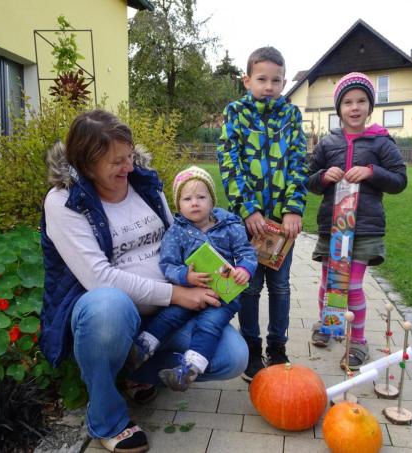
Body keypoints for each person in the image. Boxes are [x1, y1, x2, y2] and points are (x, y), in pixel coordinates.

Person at [40, 110, 248, 453]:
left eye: (129, 156)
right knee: (109, 305)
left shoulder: (143, 184)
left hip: (166, 311)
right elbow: (98, 278)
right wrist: (178, 294)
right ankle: (106, 418)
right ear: (86, 165)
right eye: (116, 162)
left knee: (232, 357)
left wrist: (219, 230)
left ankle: (134, 369)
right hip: (110, 313)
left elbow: (177, 232)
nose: (129, 168)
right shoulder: (64, 201)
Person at [217, 46, 308, 381]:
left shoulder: (291, 115)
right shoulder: (235, 113)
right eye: (262, 79)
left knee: (281, 287)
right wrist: (247, 210)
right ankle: (251, 347)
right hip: (249, 224)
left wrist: (293, 209)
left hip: (283, 226)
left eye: (276, 80)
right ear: (247, 80)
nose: (269, 86)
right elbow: (229, 162)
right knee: (250, 287)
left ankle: (278, 347)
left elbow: (299, 161)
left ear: (284, 82)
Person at [306, 72, 407, 370]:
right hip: (332, 226)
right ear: (338, 108)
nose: (354, 107)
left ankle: (359, 341)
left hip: (364, 229)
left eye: (361, 101)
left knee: (351, 286)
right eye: (348, 102)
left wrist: (372, 172)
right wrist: (324, 177)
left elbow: (400, 180)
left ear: (369, 106)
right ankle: (330, 325)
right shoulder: (327, 143)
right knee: (328, 282)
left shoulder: (381, 142)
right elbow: (309, 182)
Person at [129, 166, 258, 392]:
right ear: (179, 206)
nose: (194, 203)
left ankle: (188, 369)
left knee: (209, 325)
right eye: (187, 198)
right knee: (170, 315)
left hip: (222, 296)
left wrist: (244, 270)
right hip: (187, 291)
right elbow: (167, 264)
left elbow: (247, 253)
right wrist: (185, 276)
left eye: (201, 197)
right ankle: (141, 349)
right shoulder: (176, 232)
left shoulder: (230, 226)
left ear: (212, 200)